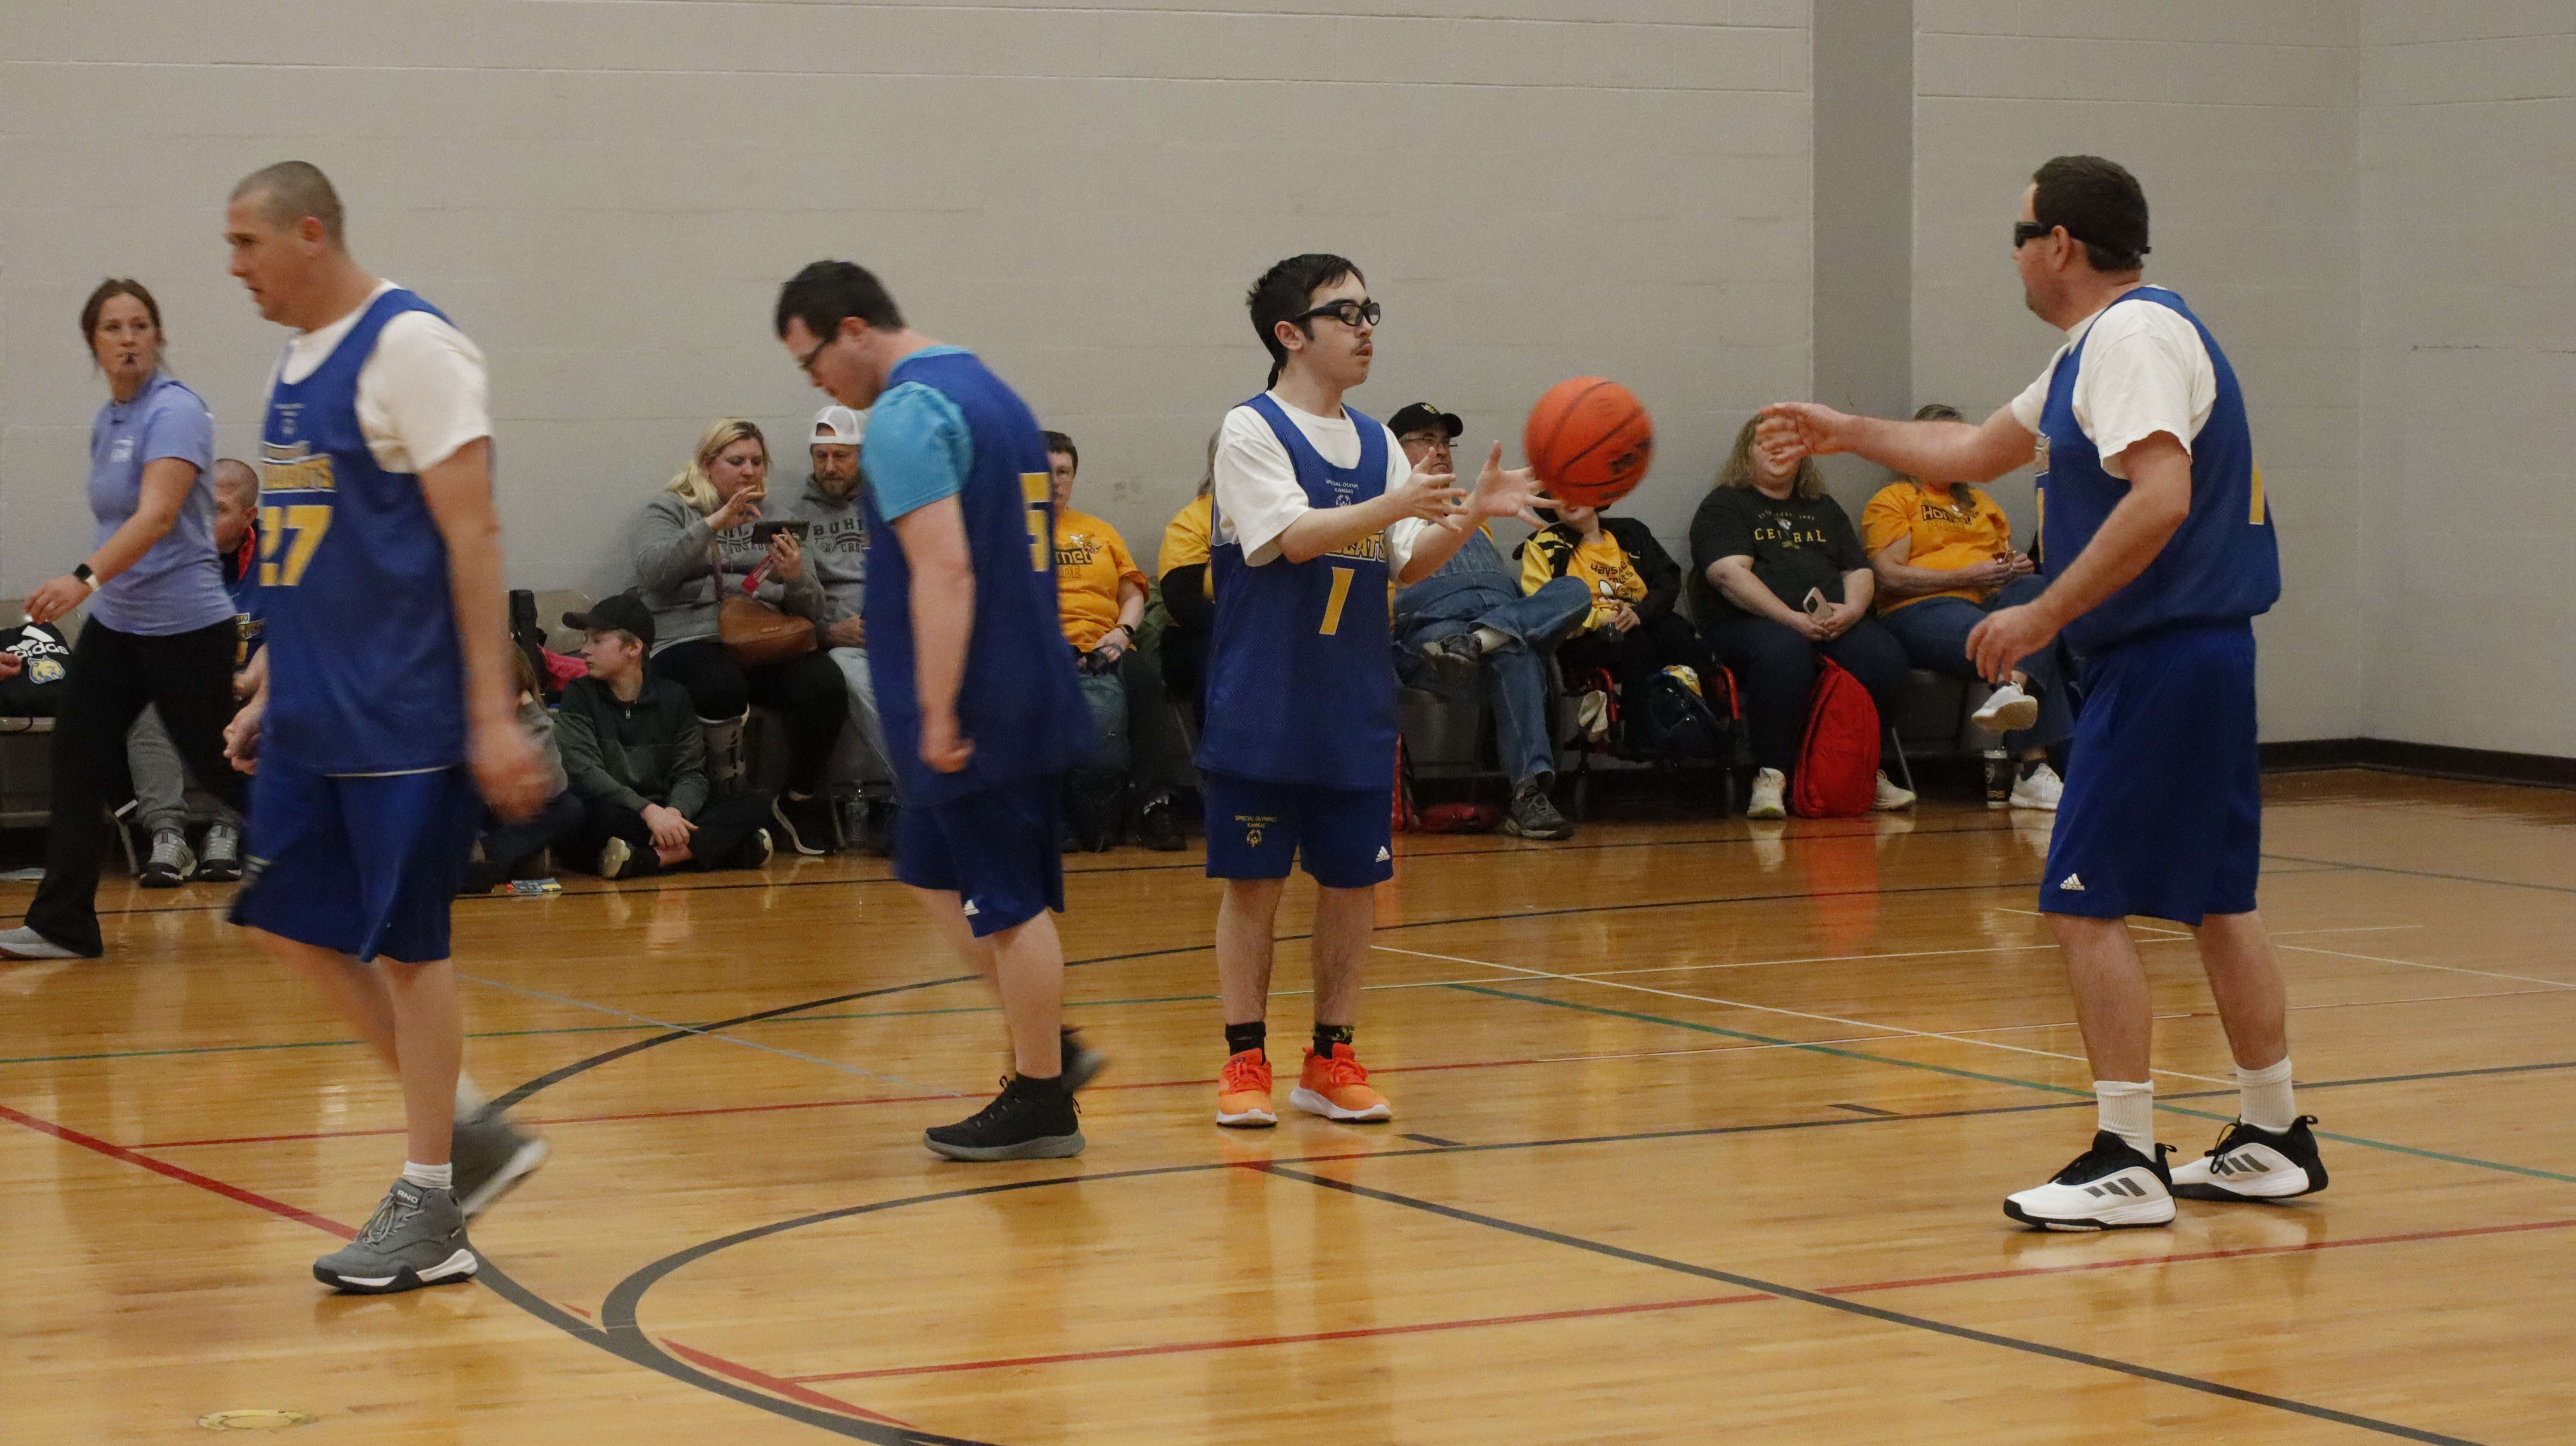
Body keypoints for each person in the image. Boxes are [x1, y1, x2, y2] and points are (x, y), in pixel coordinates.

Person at [1759, 154, 2315, 1230]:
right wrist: (1849, 430)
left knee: (2083, 902)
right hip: (2193, 656)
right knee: (2217, 902)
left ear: (2058, 244)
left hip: (2160, 657)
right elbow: (1973, 447)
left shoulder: (2133, 339)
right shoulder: (2096, 346)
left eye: (2019, 235)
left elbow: (2161, 497)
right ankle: (2273, 1133)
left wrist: (2042, 613)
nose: (2012, 255)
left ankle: (2126, 1157)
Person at [215, 161, 553, 1292]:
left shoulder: (413, 346)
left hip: (404, 712)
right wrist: (273, 680)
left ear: (309, 234)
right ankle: (469, 1135)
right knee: (284, 920)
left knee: (411, 952)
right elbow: (310, 546)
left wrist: (491, 714)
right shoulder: (294, 364)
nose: (234, 267)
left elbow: (475, 534)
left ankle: (432, 1199)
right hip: (316, 713)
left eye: (248, 243)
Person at [1200, 255, 1543, 1128]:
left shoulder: (1376, 442)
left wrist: (1472, 513)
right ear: (1290, 334)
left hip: (1352, 700)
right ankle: (1244, 1059)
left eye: (1370, 310)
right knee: (1254, 885)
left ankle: (1330, 1057)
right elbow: (1293, 537)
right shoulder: (1250, 430)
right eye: (1345, 313)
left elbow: (1408, 562)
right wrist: (1397, 507)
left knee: (1353, 885)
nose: (1366, 328)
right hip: (1265, 700)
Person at [776, 258, 1104, 1160]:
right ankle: (1049, 1042)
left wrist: (936, 705)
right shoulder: (988, 390)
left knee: (1006, 899)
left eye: (812, 361)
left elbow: (946, 568)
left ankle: (1041, 1093)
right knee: (929, 868)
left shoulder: (909, 414)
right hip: (1017, 672)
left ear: (852, 330)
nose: (818, 384)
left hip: (979, 690)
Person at [0, 282, 250, 960]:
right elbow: (116, 519)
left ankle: (332, 863)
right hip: (120, 625)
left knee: (220, 764)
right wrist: (98, 589)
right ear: (94, 341)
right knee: (78, 754)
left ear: (157, 336)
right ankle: (63, 924)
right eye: (113, 327)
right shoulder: (109, 421)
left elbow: (158, 515)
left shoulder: (176, 411)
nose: (128, 338)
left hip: (185, 625)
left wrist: (81, 579)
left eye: (140, 324)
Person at [629, 417, 845, 854]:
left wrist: (796, 576)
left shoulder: (777, 517)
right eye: (737, 461)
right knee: (720, 684)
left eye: (757, 462)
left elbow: (813, 610)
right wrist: (712, 524)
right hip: (688, 639)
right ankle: (726, 805)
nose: (749, 471)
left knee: (824, 683)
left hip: (759, 639)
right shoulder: (669, 508)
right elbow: (655, 572)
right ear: (708, 464)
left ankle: (798, 799)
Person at [1688, 416, 1917, 820]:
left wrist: (1853, 611)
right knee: (1784, 654)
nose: (1778, 450)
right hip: (1747, 624)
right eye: (1765, 442)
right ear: (1746, 453)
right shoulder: (1725, 505)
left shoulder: (1823, 507)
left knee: (1885, 660)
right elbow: (1727, 575)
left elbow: (1858, 570)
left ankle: (1863, 773)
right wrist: (1791, 619)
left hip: (1831, 621)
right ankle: (1772, 776)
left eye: (1789, 444)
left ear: (1804, 456)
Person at [1385, 401, 1589, 840]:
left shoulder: (1471, 504)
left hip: (1489, 626)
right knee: (1517, 654)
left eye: (1446, 442)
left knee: (1575, 591)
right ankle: (1528, 794)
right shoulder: (1382, 509)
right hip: (1434, 636)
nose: (1441, 450)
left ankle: (1484, 639)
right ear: (1395, 449)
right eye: (1427, 440)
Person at [1862, 403, 2068, 811]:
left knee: (2040, 596)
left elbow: (2000, 563)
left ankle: (2012, 688)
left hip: (1988, 601)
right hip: (1921, 610)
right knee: (2012, 638)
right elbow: (1890, 577)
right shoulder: (1896, 499)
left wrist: (2012, 569)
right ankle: (2034, 768)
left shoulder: (1981, 503)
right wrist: (1967, 576)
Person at [553, 596, 775, 878]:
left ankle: (650, 859)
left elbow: (691, 773)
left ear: (634, 648)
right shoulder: (578, 694)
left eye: (597, 641)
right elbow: (584, 772)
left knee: (755, 805)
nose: (584, 650)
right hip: (618, 809)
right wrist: (647, 811)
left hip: (664, 810)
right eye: (585, 640)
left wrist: (675, 814)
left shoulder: (674, 697)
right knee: (582, 817)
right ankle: (726, 849)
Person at [122, 458, 266, 887]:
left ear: (249, 516)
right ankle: (167, 836)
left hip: (256, 684)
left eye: (217, 509)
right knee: (144, 710)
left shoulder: (279, 558)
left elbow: (296, 640)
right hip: (185, 682)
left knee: (268, 710)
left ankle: (229, 830)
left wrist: (247, 683)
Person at [774, 403, 895, 850]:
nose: (830, 466)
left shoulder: (890, 504)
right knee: (852, 674)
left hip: (902, 627)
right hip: (843, 638)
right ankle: (921, 792)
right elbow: (795, 603)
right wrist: (829, 632)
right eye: (821, 456)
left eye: (841, 456)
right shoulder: (794, 515)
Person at [1041, 430, 1150, 851]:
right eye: (1045, 472)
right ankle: (1050, 815)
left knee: (1145, 681)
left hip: (1108, 644)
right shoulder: (1010, 533)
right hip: (1044, 647)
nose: (1055, 482)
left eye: (1063, 472)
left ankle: (1151, 804)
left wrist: (1123, 633)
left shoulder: (1100, 531)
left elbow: (1133, 595)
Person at [1519, 498, 1707, 739]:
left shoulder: (1632, 533)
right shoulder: (1542, 544)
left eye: (1576, 490)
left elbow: (1668, 581)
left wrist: (1639, 614)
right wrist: (1603, 618)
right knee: (1635, 640)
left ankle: (1700, 727)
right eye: (1558, 494)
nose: (1568, 499)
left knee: (1679, 633)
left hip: (1641, 618)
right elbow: (1543, 610)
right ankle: (1642, 735)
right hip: (1585, 636)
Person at [458, 647, 584, 893]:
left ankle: (490, 860)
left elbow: (555, 785)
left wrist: (531, 713)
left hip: (506, 823)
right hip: (473, 816)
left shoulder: (531, 719)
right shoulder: (461, 716)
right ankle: (514, 860)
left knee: (570, 807)